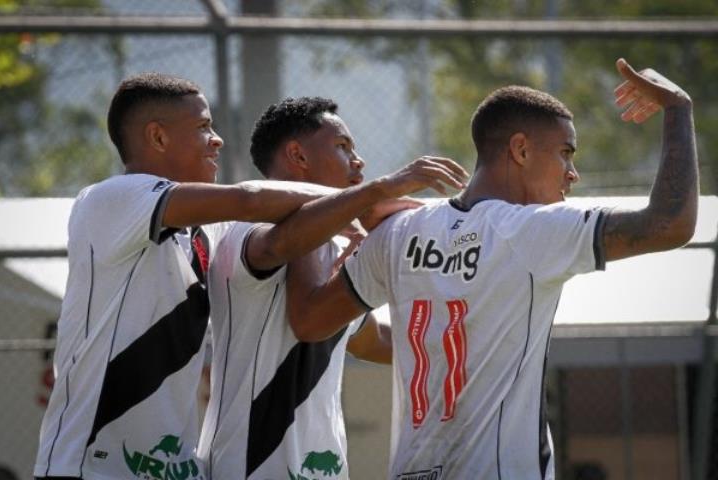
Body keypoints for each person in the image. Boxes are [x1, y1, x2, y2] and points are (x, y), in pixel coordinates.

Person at [32, 74, 465, 480]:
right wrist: (373, 195)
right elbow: (253, 201)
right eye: (203, 126)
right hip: (92, 466)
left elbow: (371, 338)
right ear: (157, 136)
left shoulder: (208, 233)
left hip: (172, 469)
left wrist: (466, 342)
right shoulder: (112, 200)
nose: (217, 139)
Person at [286, 58, 698, 479]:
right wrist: (678, 111)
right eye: (565, 154)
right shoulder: (533, 231)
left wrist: (308, 213)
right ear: (520, 150)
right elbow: (669, 225)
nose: (572, 174)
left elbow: (311, 321)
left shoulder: (400, 231)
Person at [196, 97, 467, 479]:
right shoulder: (247, 231)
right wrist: (371, 198)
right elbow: (303, 310)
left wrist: (461, 349)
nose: (358, 162)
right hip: (252, 467)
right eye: (342, 147)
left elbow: (370, 341)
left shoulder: (335, 245)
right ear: (298, 156)